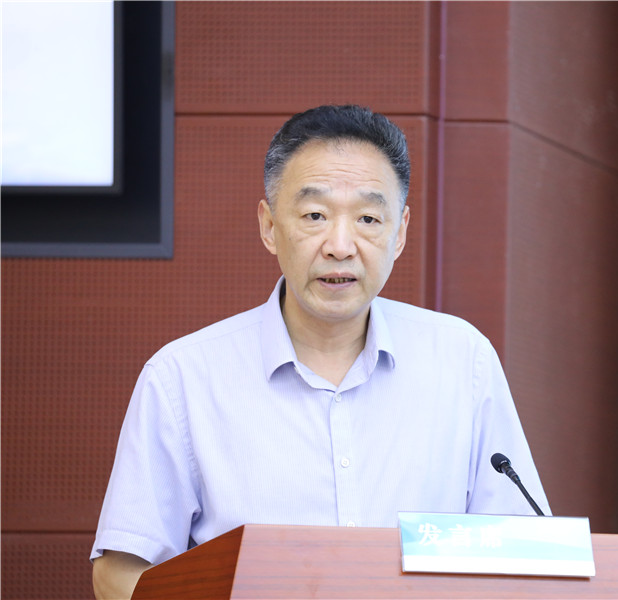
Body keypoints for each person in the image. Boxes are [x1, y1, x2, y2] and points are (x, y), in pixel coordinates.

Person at [90, 105, 548, 598]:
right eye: (315, 216)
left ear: (399, 233)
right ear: (269, 226)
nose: (340, 245)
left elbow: (522, 554)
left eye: (368, 218)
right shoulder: (183, 376)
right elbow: (120, 573)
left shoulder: (462, 360)